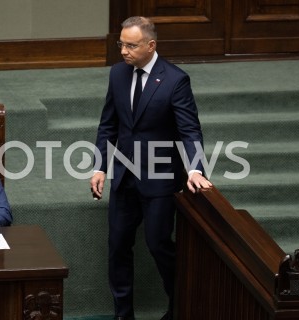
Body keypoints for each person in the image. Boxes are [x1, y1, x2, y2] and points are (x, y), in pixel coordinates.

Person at [90, 16, 212, 320]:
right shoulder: (118, 74)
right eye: (121, 44)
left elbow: (190, 131)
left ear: (151, 45)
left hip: (160, 179)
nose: (124, 51)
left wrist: (195, 169)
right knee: (118, 246)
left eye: (131, 45)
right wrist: (100, 166)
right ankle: (123, 314)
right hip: (125, 179)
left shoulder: (174, 79)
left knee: (159, 245)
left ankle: (179, 306)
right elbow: (109, 124)